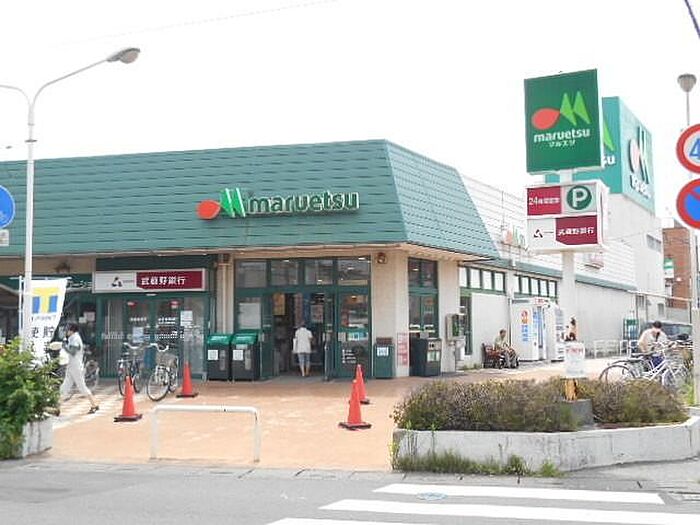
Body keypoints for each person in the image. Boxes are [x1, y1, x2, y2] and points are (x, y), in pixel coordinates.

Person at [60, 322, 99, 414]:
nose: (66, 331)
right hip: (71, 366)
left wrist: (64, 346)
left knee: (82, 387)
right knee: (64, 387)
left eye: (67, 329)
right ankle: (56, 407)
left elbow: (73, 352)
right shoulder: (72, 338)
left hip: (76, 367)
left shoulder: (75, 338)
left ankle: (94, 405)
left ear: (72, 330)